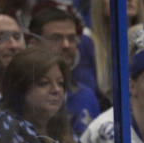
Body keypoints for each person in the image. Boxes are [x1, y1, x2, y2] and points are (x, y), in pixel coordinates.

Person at [0, 47, 94, 143]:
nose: (56, 90)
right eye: (44, 83)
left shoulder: (61, 128)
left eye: (60, 83)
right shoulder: (5, 125)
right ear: (20, 88)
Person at [28, 2, 101, 135]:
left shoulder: (87, 96)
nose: (66, 45)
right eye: (56, 38)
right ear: (34, 44)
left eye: (71, 38)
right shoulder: (23, 96)